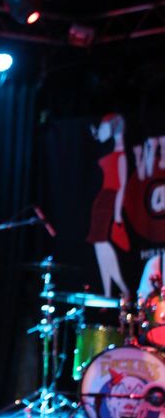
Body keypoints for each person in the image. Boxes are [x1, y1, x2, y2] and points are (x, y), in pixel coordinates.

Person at [87, 113, 129, 297]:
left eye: (104, 128)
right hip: (102, 200)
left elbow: (122, 187)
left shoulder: (121, 156)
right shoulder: (112, 151)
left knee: (102, 244)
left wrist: (118, 215)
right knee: (99, 247)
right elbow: (101, 137)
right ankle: (108, 292)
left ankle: (122, 288)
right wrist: (97, 134)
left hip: (108, 200)